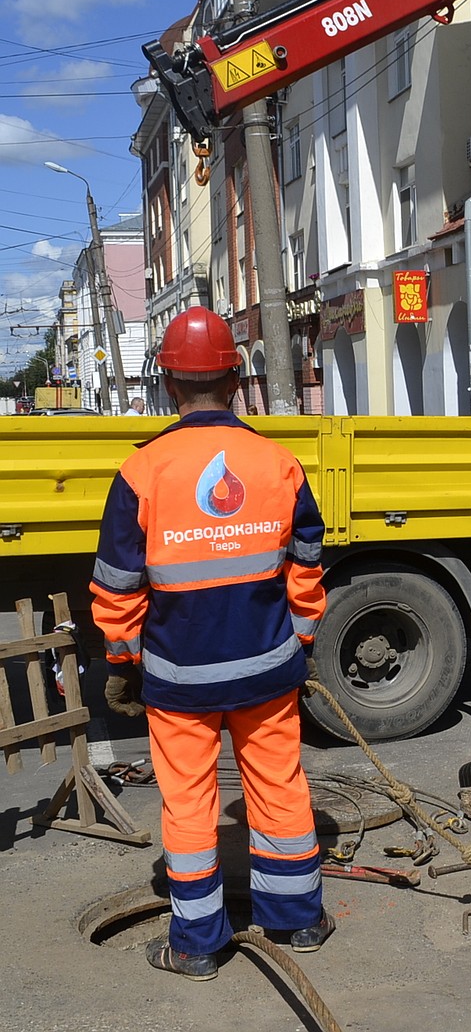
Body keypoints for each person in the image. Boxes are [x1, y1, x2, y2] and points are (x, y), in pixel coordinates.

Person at [90, 306, 331, 981]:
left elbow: (117, 585)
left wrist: (123, 659)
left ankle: (197, 944)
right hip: (266, 669)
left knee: (190, 804)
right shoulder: (279, 463)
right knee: (279, 788)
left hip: (180, 678)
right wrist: (301, 639)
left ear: (168, 383)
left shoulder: (142, 472)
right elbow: (307, 566)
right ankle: (298, 919)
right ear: (236, 377)